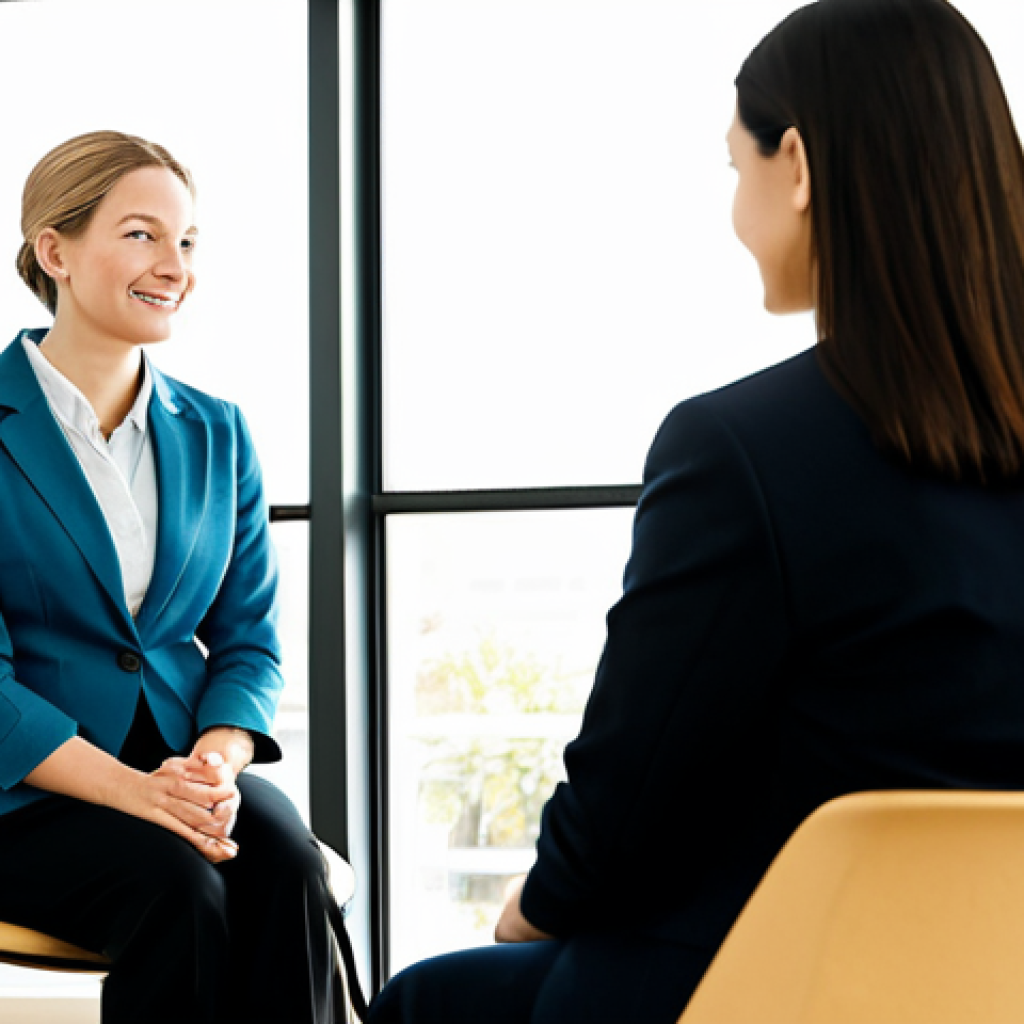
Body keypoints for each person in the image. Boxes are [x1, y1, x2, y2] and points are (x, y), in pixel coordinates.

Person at [368, 0, 1024, 1021]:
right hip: (995, 983)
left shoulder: (742, 448)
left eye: (734, 166)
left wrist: (533, 903)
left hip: (773, 981)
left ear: (796, 164)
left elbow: (630, 796)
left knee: (429, 999)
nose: (731, 205)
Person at [0, 132, 341, 1023]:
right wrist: (136, 793)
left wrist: (215, 762)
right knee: (177, 884)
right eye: (144, 235)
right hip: (24, 790)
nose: (174, 265)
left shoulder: (218, 431)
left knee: (294, 863)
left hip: (179, 765)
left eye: (187, 242)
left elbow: (249, 639)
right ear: (55, 252)